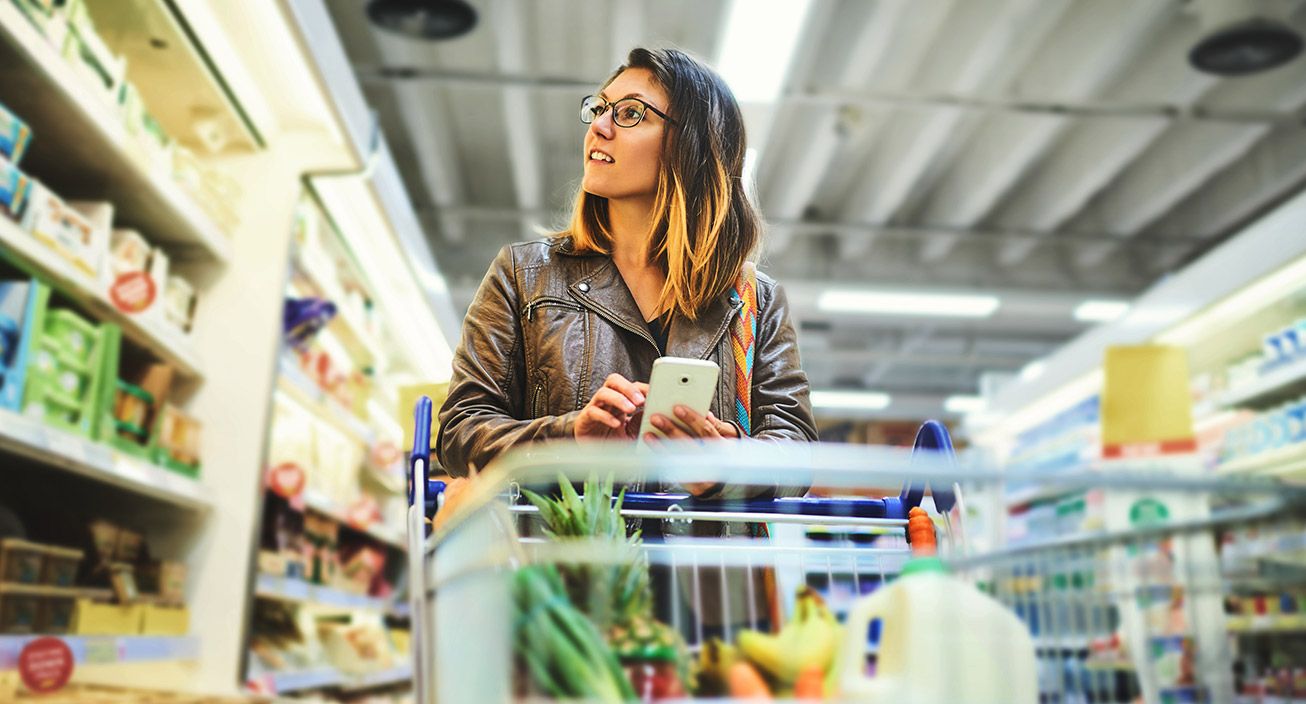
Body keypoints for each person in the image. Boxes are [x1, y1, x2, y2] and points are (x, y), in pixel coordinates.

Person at [435, 46, 818, 495]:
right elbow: (459, 431)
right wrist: (569, 438)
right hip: (564, 561)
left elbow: (798, 453)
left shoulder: (755, 299)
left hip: (703, 562)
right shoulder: (525, 274)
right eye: (599, 109)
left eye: (631, 113)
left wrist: (727, 460)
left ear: (693, 146)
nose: (599, 126)